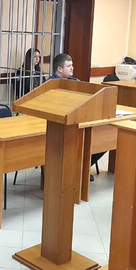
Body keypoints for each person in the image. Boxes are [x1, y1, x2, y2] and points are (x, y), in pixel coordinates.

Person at [47, 53, 97, 181]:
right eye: (69, 66)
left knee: (98, 139)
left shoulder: (75, 82)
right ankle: (74, 170)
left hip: (77, 121)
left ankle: (81, 168)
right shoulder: (50, 84)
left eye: (72, 65)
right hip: (57, 124)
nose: (72, 68)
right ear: (59, 69)